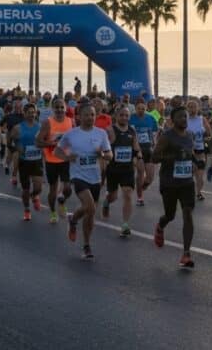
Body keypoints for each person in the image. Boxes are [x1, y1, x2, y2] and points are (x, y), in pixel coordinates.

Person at [56, 104, 112, 260]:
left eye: (93, 115)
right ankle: (86, 246)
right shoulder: (71, 134)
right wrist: (67, 157)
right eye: (87, 115)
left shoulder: (101, 133)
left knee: (90, 212)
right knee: (90, 207)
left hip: (96, 177)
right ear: (79, 116)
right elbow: (57, 151)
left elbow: (109, 154)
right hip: (78, 176)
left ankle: (74, 221)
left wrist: (103, 154)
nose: (90, 118)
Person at [152, 106, 202, 268]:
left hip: (187, 182)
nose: (184, 120)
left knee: (188, 213)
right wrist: (173, 156)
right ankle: (160, 226)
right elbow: (154, 157)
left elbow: (190, 153)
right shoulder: (167, 137)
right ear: (173, 120)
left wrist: (196, 161)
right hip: (169, 182)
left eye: (185, 117)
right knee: (170, 215)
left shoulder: (189, 136)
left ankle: (186, 254)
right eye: (180, 117)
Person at [103, 106, 141, 237]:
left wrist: (138, 157)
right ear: (116, 116)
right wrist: (104, 159)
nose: (124, 118)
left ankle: (125, 225)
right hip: (113, 169)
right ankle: (107, 202)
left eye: (126, 115)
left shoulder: (132, 130)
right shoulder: (110, 130)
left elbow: (136, 148)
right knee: (113, 196)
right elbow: (104, 147)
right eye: (122, 115)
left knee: (128, 194)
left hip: (127, 169)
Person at [38, 97, 73, 224]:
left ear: (65, 108)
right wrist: (51, 143)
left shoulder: (70, 122)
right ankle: (53, 212)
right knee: (53, 190)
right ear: (53, 109)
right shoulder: (48, 123)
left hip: (65, 160)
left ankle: (62, 200)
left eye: (61, 107)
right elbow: (38, 142)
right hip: (51, 161)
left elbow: (74, 139)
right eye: (57, 107)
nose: (59, 109)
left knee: (68, 188)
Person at [12, 103, 44, 221]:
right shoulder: (18, 128)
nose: (31, 114)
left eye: (33, 112)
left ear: (36, 114)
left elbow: (43, 141)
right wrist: (18, 146)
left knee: (38, 188)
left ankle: (34, 196)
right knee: (25, 189)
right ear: (24, 114)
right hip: (24, 161)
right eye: (29, 112)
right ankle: (26, 209)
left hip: (37, 161)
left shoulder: (40, 127)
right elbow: (12, 140)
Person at [129, 101, 159, 206]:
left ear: (146, 108)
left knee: (150, 177)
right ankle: (140, 197)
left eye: (143, 108)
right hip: (137, 150)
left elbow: (156, 131)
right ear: (135, 109)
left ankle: (142, 187)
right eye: (139, 108)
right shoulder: (131, 118)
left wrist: (154, 142)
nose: (141, 110)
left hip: (148, 149)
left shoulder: (150, 118)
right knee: (140, 172)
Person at [185, 100, 212, 200]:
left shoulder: (202, 119)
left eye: (194, 107)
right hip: (188, 151)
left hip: (200, 150)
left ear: (198, 108)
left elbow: (209, 134)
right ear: (187, 109)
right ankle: (188, 192)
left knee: (200, 176)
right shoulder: (185, 120)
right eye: (190, 107)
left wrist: (206, 138)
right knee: (190, 174)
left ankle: (199, 193)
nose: (192, 109)